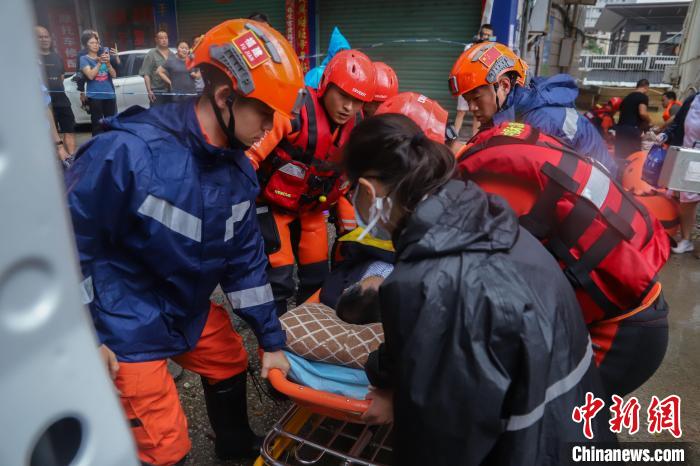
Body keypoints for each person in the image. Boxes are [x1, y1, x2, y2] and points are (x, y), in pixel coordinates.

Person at [64, 19, 304, 465]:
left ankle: (235, 449)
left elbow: (245, 265)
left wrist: (271, 341)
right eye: (266, 114)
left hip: (182, 305)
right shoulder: (127, 152)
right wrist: (83, 332)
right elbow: (67, 245)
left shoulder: (238, 172)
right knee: (165, 446)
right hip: (124, 318)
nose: (272, 128)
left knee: (229, 358)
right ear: (225, 98)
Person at [345, 114, 614, 464]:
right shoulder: (492, 222)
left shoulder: (428, 284)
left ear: (368, 191)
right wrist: (388, 375)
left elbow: (439, 442)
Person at [247, 49, 376, 315]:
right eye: (343, 95)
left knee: (317, 274)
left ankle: (306, 331)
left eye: (357, 101)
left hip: (313, 211)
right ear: (325, 86)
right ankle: (273, 340)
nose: (348, 107)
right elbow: (250, 156)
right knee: (278, 276)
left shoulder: (358, 125)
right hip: (273, 206)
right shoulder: (296, 110)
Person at [448, 41, 617, 174]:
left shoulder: (539, 122)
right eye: (467, 100)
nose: (471, 107)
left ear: (504, 86)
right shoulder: (511, 112)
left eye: (476, 98)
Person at [659, 91, 700, 254]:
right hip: (689, 156)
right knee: (687, 200)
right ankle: (686, 239)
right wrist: (666, 134)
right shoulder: (693, 99)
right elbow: (678, 122)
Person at [37, 26, 76, 154]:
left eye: (46, 36)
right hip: (43, 103)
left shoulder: (57, 57)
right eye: (40, 37)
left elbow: (61, 77)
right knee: (48, 134)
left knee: (69, 130)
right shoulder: (32, 58)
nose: (44, 39)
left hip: (61, 100)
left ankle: (71, 159)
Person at [454, 23, 494, 137]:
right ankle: (454, 137)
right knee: (461, 111)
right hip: (467, 83)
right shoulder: (469, 46)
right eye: (483, 34)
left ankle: (474, 139)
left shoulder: (491, 48)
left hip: (481, 84)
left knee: (477, 113)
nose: (485, 36)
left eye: (488, 35)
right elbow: (465, 61)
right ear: (479, 34)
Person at [79, 31, 117, 135]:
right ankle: (98, 147)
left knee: (111, 124)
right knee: (97, 125)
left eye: (96, 42)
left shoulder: (104, 56)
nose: (95, 45)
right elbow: (90, 75)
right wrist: (100, 63)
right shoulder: (84, 59)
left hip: (109, 95)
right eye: (92, 42)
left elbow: (114, 75)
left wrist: (108, 64)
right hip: (95, 96)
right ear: (86, 44)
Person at [75, 29, 121, 108]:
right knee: (97, 118)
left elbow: (117, 69)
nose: (96, 42)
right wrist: (82, 92)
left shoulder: (105, 50)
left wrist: (117, 57)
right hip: (94, 93)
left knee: (111, 118)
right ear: (87, 42)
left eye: (97, 39)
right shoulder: (82, 55)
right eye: (92, 41)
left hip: (109, 90)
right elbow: (80, 75)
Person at [615, 79, 652, 159]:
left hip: (620, 129)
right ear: (646, 87)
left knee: (620, 155)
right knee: (633, 156)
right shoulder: (642, 97)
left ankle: (619, 171)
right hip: (632, 130)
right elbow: (642, 113)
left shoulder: (627, 98)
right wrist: (650, 121)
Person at [140, 31, 171, 106]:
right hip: (157, 91)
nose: (164, 40)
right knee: (157, 115)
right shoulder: (151, 54)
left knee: (169, 115)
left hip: (171, 90)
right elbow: (146, 73)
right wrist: (149, 90)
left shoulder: (172, 54)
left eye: (166, 38)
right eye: (161, 38)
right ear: (156, 40)